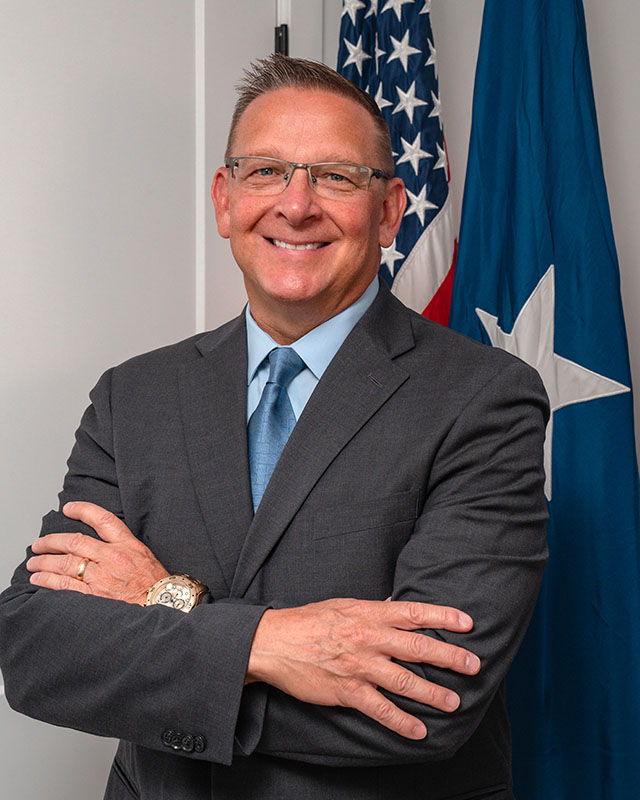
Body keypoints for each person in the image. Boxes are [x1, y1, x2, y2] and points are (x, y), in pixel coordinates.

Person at [0, 55, 548, 800]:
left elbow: (425, 700)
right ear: (225, 200)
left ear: (389, 212)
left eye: (337, 177)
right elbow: (39, 651)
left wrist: (167, 607)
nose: (296, 206)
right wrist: (274, 644)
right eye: (266, 172)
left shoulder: (484, 399)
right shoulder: (133, 397)